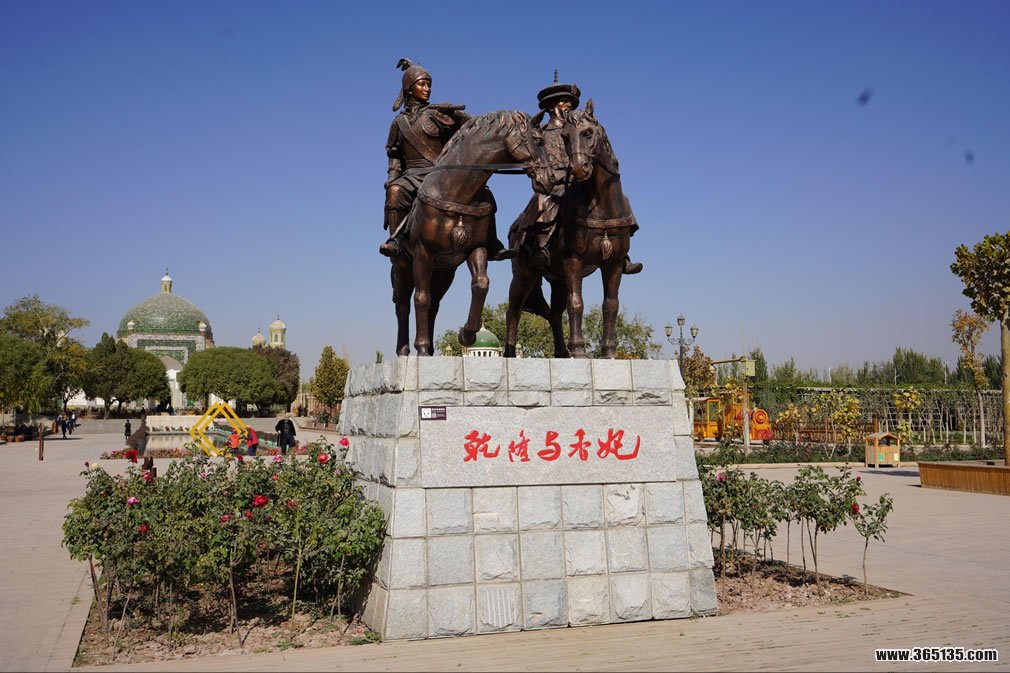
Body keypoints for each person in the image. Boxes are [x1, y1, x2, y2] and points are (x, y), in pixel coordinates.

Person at [507, 72, 642, 275]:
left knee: (619, 199)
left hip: (580, 179)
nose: (568, 105)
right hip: (556, 182)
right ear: (551, 106)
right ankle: (540, 246)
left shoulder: (580, 129)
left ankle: (621, 254)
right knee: (542, 202)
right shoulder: (542, 133)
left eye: (570, 101)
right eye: (563, 101)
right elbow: (541, 161)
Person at [378, 58, 511, 261]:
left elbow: (473, 129)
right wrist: (392, 178)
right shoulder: (398, 122)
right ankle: (396, 241)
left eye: (429, 85)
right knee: (395, 192)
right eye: (422, 84)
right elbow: (394, 154)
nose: (427, 89)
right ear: (409, 89)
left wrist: (457, 115)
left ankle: (491, 242)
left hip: (439, 174)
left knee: (484, 192)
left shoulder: (438, 114)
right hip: (411, 176)